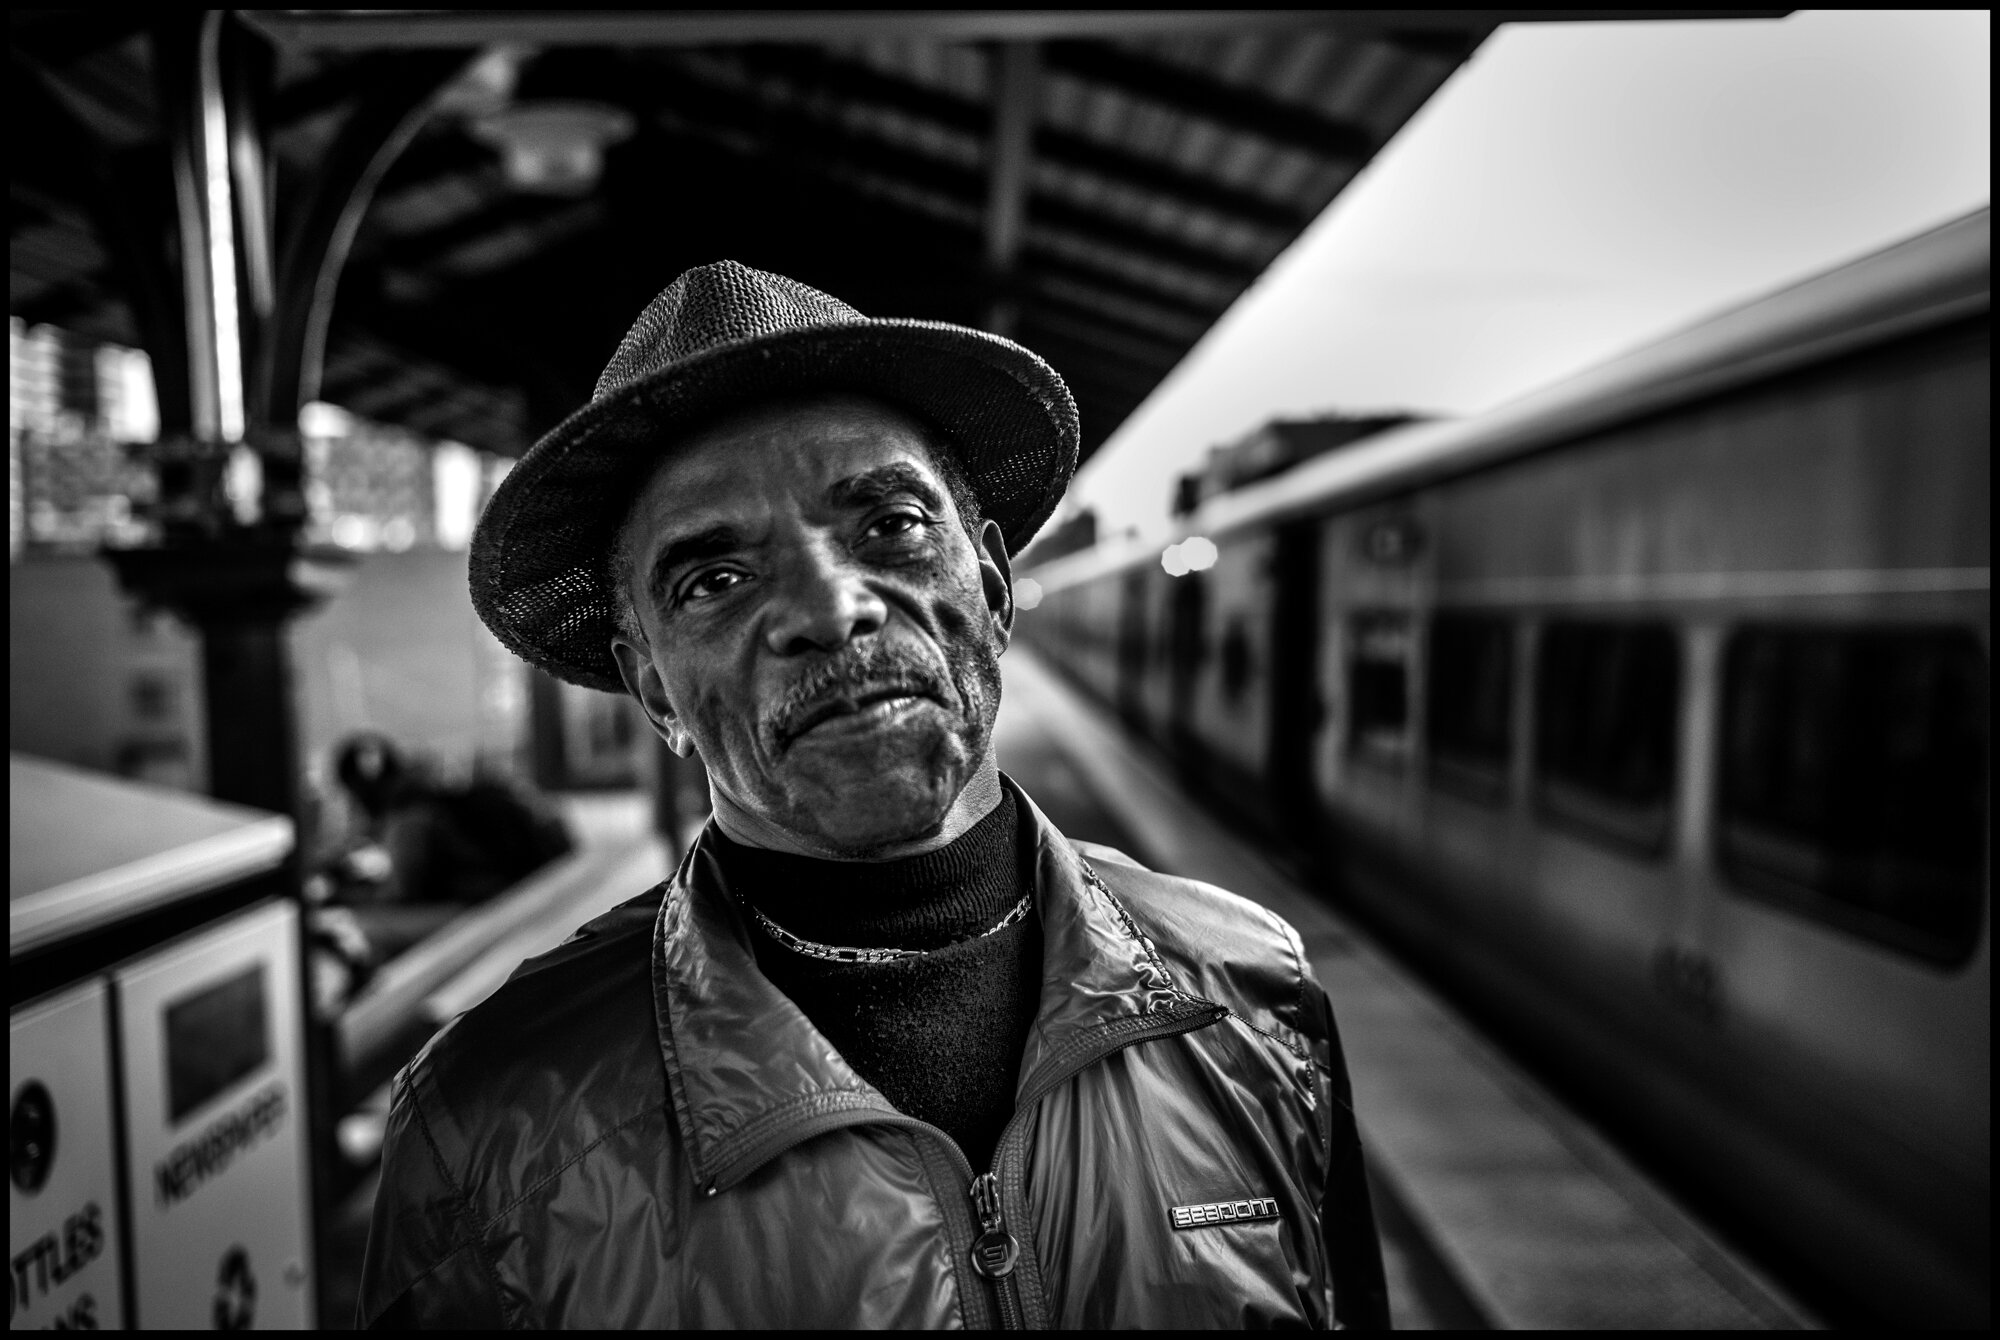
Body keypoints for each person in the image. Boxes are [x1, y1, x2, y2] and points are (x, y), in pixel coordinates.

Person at [357, 262, 1389, 1328]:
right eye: (712, 579)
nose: (831, 605)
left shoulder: (1255, 1000)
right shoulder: (490, 1123)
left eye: (890, 525)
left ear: (988, 585)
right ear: (653, 684)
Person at [330, 732, 574, 908]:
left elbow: (401, 894)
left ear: (359, 789)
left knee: (362, 930)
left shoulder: (408, 815)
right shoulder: (429, 794)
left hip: (485, 901)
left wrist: (339, 895)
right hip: (508, 889)